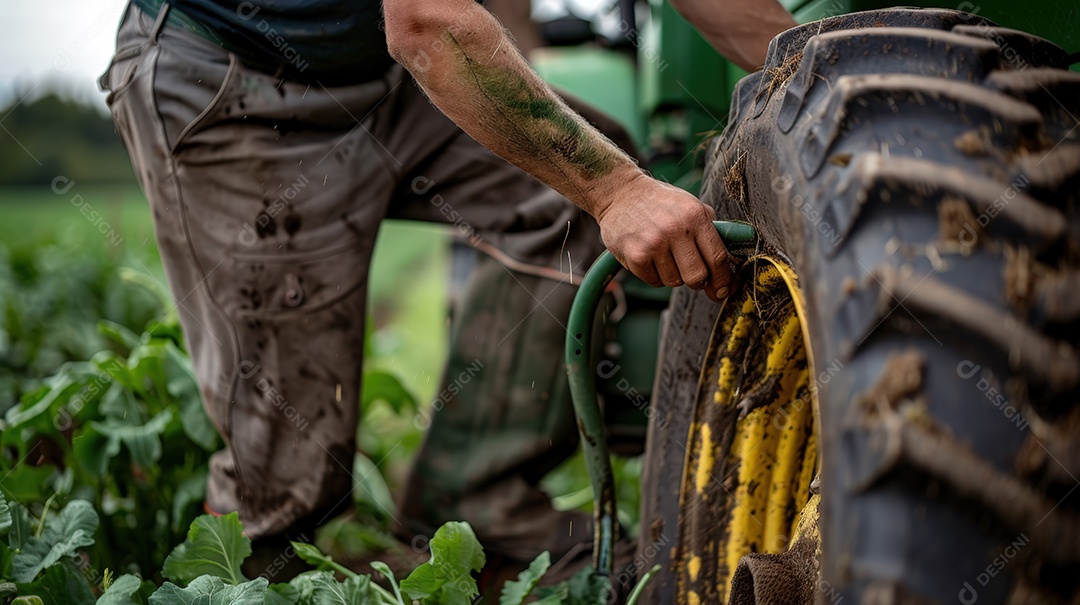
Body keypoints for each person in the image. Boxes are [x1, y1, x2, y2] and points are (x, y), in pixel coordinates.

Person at [99, 0, 793, 580]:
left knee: (564, 194)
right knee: (290, 488)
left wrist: (809, 65)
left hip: (379, 70)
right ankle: (236, 580)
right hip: (235, 80)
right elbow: (427, 21)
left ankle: (471, 495)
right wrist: (615, 190)